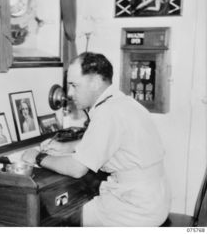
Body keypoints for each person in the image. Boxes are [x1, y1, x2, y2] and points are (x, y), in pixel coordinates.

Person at [22, 52, 171, 226]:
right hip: (155, 198)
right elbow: (110, 142)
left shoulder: (107, 112)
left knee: (63, 218)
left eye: (74, 85)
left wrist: (38, 157)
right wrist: (65, 148)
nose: (69, 93)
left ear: (94, 82)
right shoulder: (123, 102)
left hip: (136, 207)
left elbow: (76, 169)